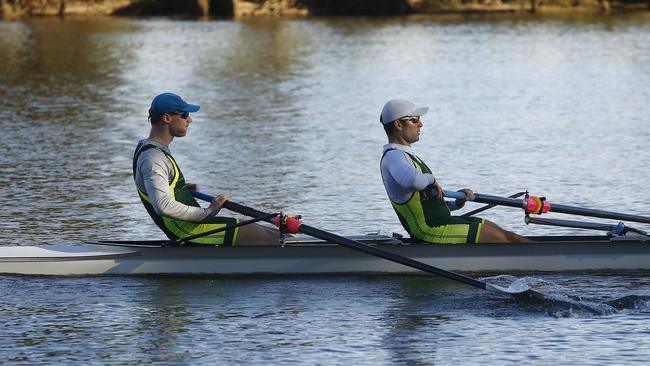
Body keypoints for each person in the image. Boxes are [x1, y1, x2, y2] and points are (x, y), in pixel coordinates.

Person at [133, 92, 279, 246]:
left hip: (193, 226)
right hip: (187, 231)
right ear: (167, 118)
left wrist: (180, 188)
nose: (190, 119)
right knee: (270, 238)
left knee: (274, 233)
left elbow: (156, 184)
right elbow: (163, 206)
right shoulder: (153, 158)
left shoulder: (148, 147)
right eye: (184, 114)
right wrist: (208, 211)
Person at [379, 99, 528, 244]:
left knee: (511, 237)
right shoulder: (394, 156)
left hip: (443, 222)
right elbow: (413, 182)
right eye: (415, 119)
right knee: (506, 241)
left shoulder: (406, 156)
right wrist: (432, 179)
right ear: (398, 124)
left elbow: (426, 206)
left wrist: (456, 204)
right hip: (430, 231)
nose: (421, 124)